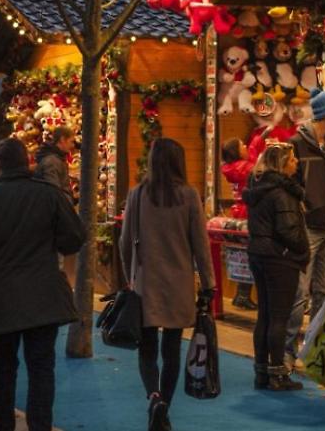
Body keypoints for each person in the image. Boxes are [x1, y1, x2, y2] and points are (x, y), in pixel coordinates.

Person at [0, 138, 85, 431]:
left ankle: (2, 424)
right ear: (27, 160)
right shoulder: (49, 195)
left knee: (2, 369)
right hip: (42, 294)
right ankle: (40, 426)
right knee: (42, 368)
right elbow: (75, 237)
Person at [120, 138, 214, 431]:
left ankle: (154, 397)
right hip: (179, 283)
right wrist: (209, 283)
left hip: (146, 282)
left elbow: (125, 241)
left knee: (146, 348)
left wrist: (129, 276)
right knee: (171, 350)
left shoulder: (137, 195)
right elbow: (201, 245)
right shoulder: (189, 196)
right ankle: (165, 409)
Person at [284, 88, 325, 363]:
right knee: (299, 291)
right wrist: (303, 204)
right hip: (308, 225)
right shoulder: (296, 143)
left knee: (323, 291)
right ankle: (286, 350)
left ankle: (314, 351)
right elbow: (290, 180)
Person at [243, 142, 309, 391]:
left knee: (266, 315)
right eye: (292, 160)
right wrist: (303, 251)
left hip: (259, 255)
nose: (296, 163)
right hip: (279, 258)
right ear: (282, 164)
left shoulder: (258, 188)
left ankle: (262, 371)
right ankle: (277, 374)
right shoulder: (283, 193)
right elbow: (288, 230)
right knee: (279, 317)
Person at [221, 132, 266, 310]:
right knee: (250, 256)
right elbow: (257, 170)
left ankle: (242, 294)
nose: (245, 147)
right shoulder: (243, 168)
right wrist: (257, 143)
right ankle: (242, 295)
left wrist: (256, 142)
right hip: (247, 212)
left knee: (243, 256)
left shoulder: (234, 167)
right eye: (242, 145)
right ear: (236, 151)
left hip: (238, 212)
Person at [34, 127, 75, 196]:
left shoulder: (57, 159)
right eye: (71, 141)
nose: (72, 145)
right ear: (62, 140)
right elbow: (54, 192)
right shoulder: (52, 162)